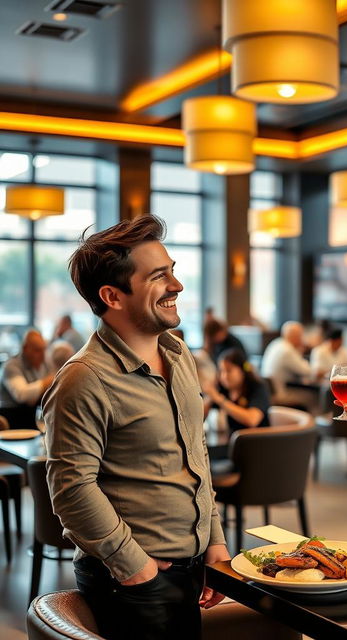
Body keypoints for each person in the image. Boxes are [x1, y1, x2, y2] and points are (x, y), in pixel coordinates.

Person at [43, 216, 229, 640]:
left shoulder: (179, 353)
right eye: (159, 276)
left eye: (173, 270)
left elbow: (194, 453)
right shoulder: (84, 377)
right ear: (112, 296)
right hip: (134, 581)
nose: (177, 285)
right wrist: (134, 566)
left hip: (193, 566)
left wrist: (213, 539)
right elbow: (72, 489)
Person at [202, 348, 271, 434]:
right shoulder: (223, 389)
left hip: (257, 440)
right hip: (232, 441)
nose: (224, 376)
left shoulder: (257, 387)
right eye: (221, 371)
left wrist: (220, 400)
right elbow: (199, 417)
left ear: (242, 371)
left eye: (229, 371)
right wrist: (210, 396)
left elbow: (252, 420)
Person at [0, 329, 55, 429]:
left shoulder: (45, 363)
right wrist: (46, 382)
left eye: (44, 349)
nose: (43, 355)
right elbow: (22, 395)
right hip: (12, 423)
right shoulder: (11, 366)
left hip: (33, 421)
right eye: (37, 350)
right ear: (25, 348)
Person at [261, 321, 315, 410]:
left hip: (270, 392)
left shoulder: (276, 343)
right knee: (311, 396)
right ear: (295, 336)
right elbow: (308, 371)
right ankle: (311, 422)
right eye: (301, 336)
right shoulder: (287, 350)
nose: (302, 339)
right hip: (280, 393)